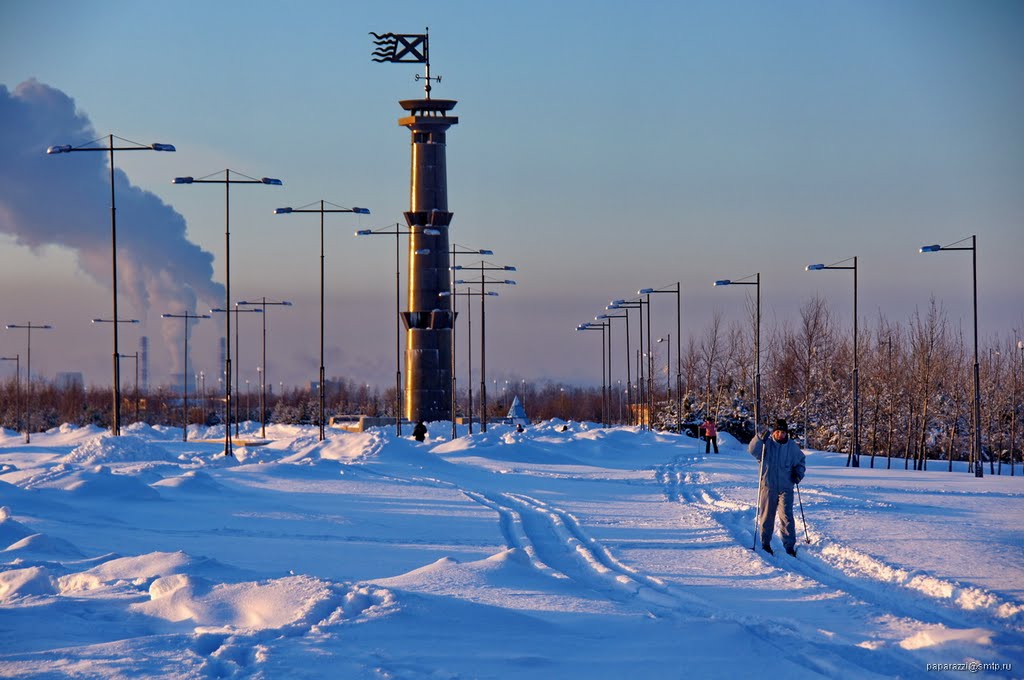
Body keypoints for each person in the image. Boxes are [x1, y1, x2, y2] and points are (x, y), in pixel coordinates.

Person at [748, 418, 805, 556]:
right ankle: (765, 543)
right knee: (767, 516)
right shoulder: (766, 444)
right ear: (774, 432)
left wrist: (798, 474)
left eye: (783, 432)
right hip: (768, 486)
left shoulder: (791, 447)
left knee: (786, 516)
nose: (781, 435)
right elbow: (752, 450)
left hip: (786, 487)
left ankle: (789, 545)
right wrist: (759, 437)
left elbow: (801, 462)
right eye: (778, 432)